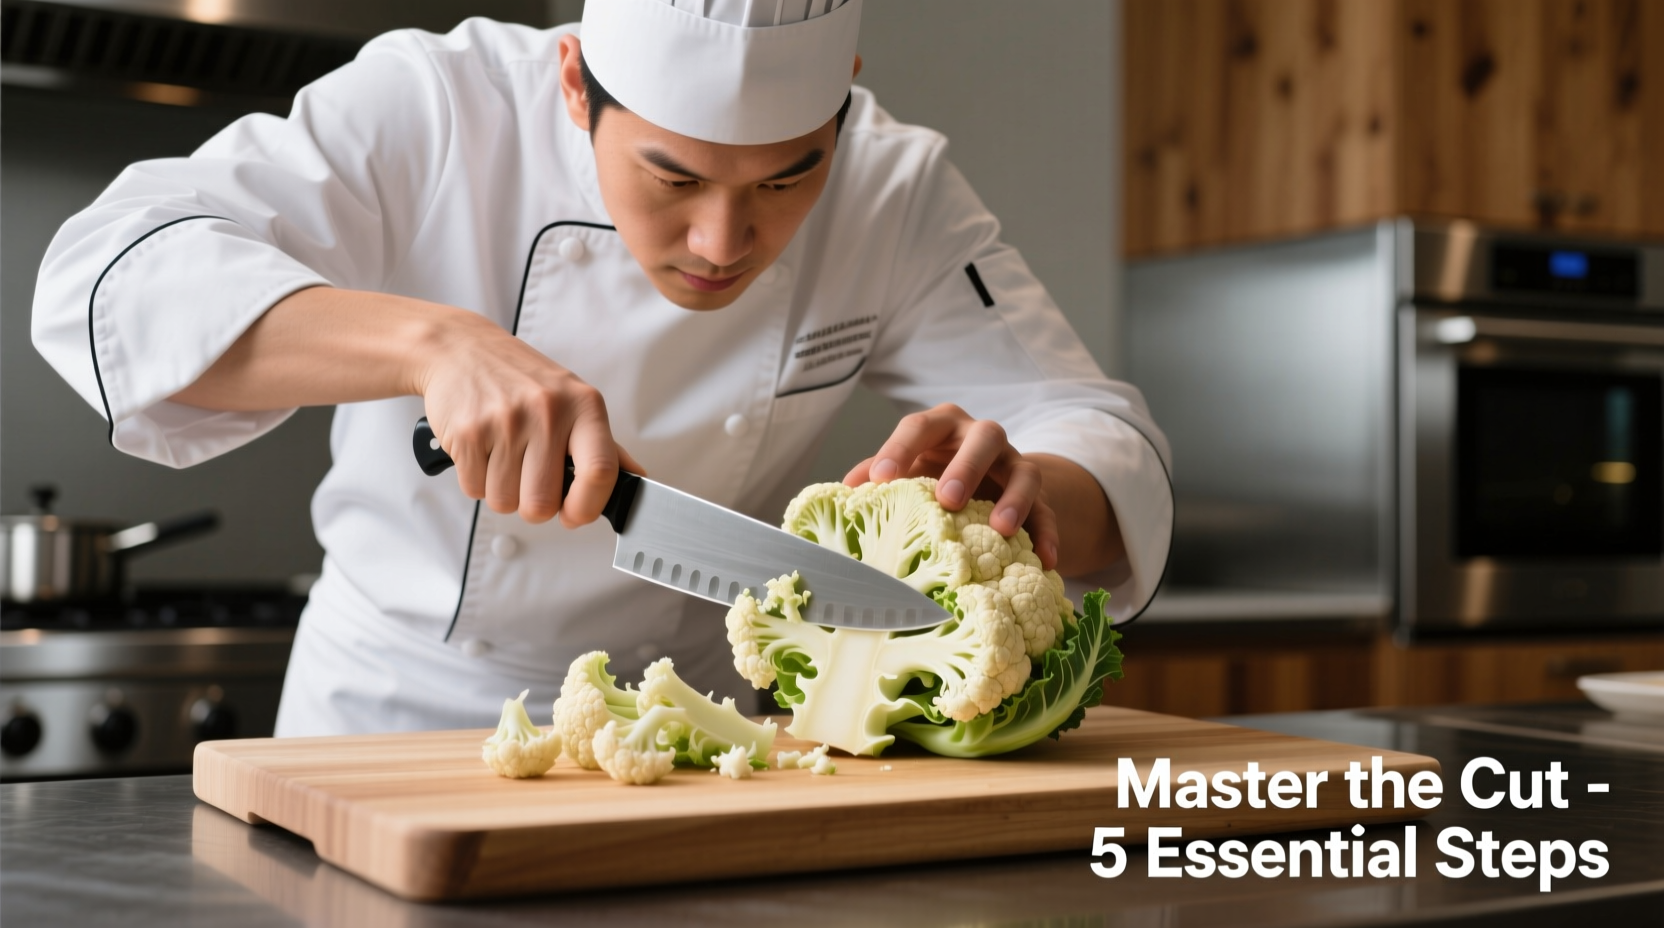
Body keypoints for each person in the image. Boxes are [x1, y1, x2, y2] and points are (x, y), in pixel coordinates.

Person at [32, 0, 1172, 736]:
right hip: (395, 716)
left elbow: (1098, 434)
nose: (724, 243)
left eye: (786, 179)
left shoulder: (891, 187)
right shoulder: (435, 106)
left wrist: (1025, 485)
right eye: (673, 179)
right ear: (573, 85)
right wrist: (433, 343)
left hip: (698, 733)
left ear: (844, 102)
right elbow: (104, 281)